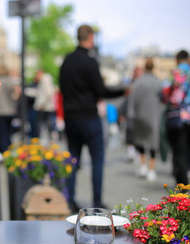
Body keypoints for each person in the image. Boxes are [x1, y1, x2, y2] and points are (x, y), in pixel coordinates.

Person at [59, 24, 126, 212]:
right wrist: (123, 90)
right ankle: (97, 202)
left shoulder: (67, 61)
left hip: (71, 118)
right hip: (88, 117)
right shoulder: (91, 62)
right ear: (91, 38)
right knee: (97, 160)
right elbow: (101, 91)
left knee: (72, 160)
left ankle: (69, 199)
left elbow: (63, 89)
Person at [128, 58, 163, 182]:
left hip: (139, 115)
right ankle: (151, 169)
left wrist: (130, 114)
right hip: (154, 115)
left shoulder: (138, 82)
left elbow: (131, 99)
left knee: (140, 141)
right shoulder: (158, 82)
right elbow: (162, 100)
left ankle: (143, 166)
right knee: (153, 142)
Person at [163, 50, 190, 185]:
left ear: (176, 60)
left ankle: (182, 188)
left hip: (176, 119)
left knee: (179, 153)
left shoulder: (174, 74)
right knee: (188, 151)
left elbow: (163, 94)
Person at [0, 65, 19, 153]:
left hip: (0, 111)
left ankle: (4, 152)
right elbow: (17, 94)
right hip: (11, 110)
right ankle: (9, 151)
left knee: (2, 134)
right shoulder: (11, 81)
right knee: (8, 133)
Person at [33, 69, 57, 143]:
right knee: (47, 125)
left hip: (45, 107)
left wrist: (41, 104)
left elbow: (47, 93)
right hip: (46, 106)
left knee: (44, 126)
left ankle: (46, 140)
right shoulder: (46, 80)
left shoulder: (45, 80)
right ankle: (48, 140)